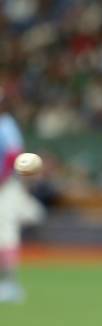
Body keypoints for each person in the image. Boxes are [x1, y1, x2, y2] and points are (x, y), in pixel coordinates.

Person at [0, 98, 43, 302]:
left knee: (6, 233)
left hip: (6, 188)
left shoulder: (7, 125)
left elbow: (13, 157)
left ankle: (10, 284)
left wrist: (3, 180)